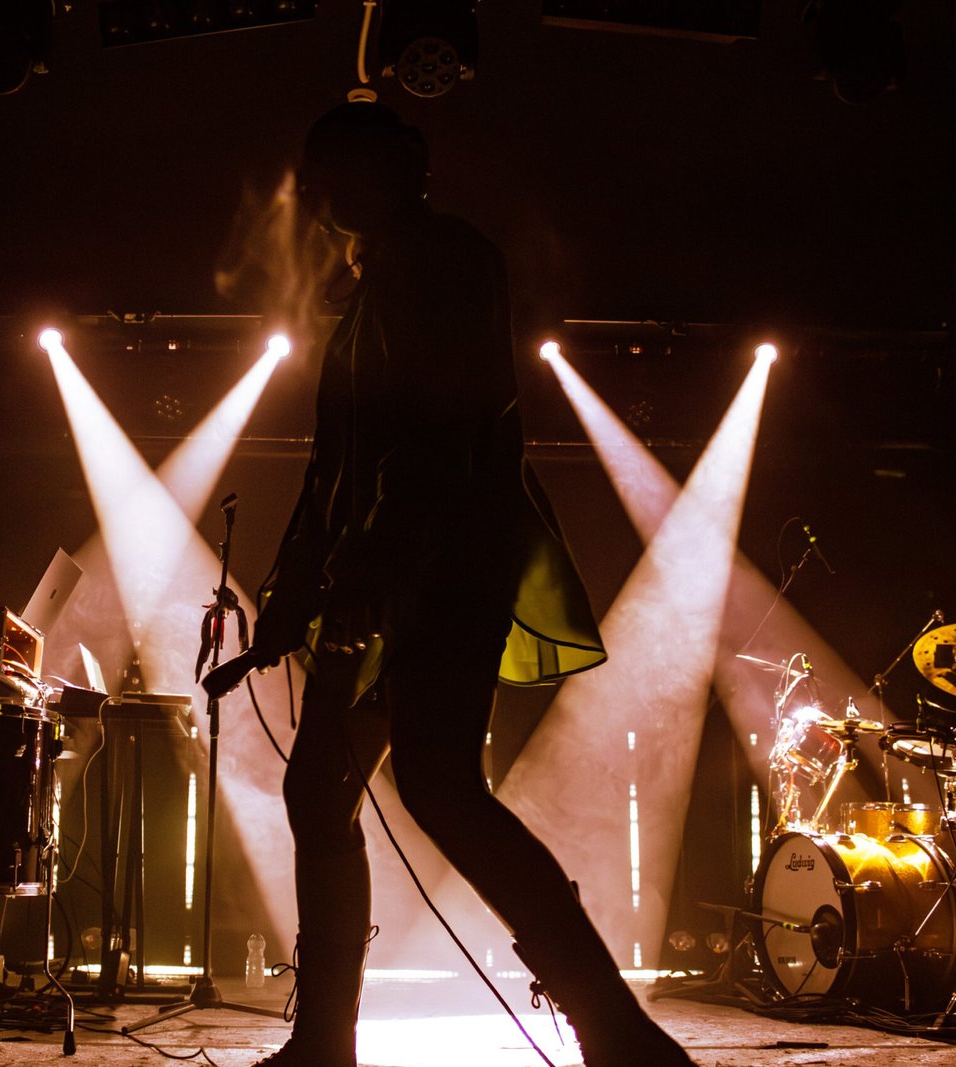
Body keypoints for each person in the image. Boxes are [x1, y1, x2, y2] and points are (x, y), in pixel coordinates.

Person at [243, 100, 691, 1067]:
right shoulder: (369, 289)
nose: (320, 194)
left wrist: (364, 567)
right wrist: (294, 591)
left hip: (444, 561)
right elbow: (335, 465)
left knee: (438, 784)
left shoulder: (447, 259)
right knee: (324, 785)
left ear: (400, 169)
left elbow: (438, 434)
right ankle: (324, 1042)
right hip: (382, 570)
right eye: (317, 177)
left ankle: (618, 1033)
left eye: (337, 170)